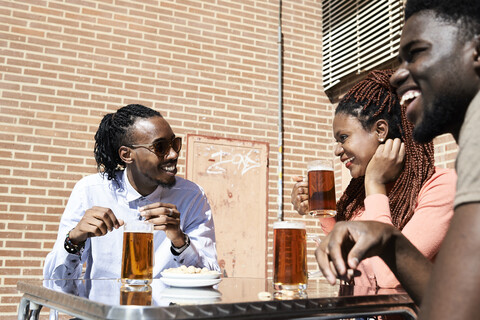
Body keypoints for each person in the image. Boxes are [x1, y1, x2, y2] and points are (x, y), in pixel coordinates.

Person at [315, 0, 480, 318]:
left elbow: (388, 281)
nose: (396, 74)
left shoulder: (445, 182)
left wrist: (377, 191)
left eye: (416, 52)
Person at [291, 69, 456, 288]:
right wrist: (322, 210)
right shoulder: (360, 197)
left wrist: (374, 183)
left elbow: (389, 277)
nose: (337, 150)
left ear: (380, 130)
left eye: (343, 138)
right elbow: (345, 263)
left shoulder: (442, 187)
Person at [44, 104, 219, 280]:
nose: (173, 154)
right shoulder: (90, 191)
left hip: (165, 306)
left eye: (175, 144)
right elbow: (54, 280)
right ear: (127, 155)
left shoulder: (191, 196)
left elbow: (210, 273)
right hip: (104, 306)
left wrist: (180, 240)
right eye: (160, 147)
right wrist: (74, 239)